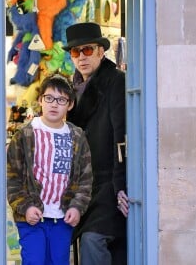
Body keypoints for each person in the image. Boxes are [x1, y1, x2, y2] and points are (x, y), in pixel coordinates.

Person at [7, 73, 93, 265]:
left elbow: (85, 180)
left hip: (62, 219)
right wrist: (25, 206)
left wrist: (77, 207)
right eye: (49, 98)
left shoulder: (77, 136)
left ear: (70, 105)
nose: (54, 104)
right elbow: (12, 178)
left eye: (61, 100)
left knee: (59, 261)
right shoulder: (25, 135)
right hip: (31, 218)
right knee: (34, 260)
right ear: (40, 100)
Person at [63, 22, 129, 265]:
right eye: (75, 52)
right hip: (81, 187)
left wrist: (121, 186)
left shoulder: (115, 81)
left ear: (101, 51)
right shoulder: (73, 87)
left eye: (88, 50)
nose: (81, 57)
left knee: (93, 239)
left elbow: (121, 136)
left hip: (107, 183)